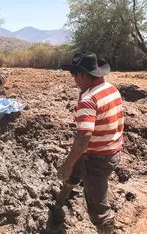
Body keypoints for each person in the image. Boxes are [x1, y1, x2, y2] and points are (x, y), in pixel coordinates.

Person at [57, 52, 123, 233]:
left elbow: (83, 139)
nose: (73, 80)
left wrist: (67, 163)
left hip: (97, 157)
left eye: (74, 75)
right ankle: (60, 201)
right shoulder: (111, 88)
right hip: (110, 149)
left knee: (99, 210)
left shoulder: (89, 100)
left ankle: (105, 227)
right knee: (74, 172)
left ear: (82, 75)